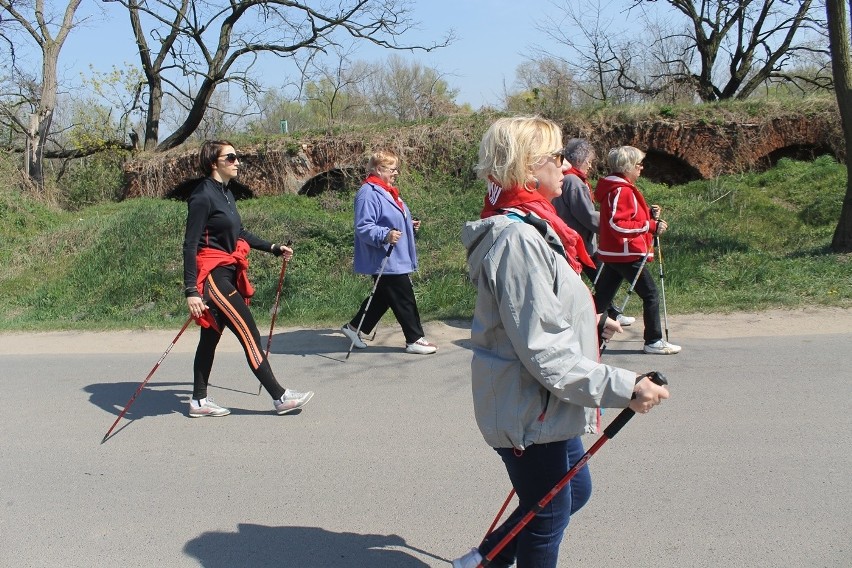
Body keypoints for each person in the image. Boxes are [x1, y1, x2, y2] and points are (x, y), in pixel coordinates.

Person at [454, 117, 670, 568]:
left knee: (572, 492)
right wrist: (626, 387)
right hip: (531, 410)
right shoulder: (517, 239)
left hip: (548, 404)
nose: (566, 168)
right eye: (556, 159)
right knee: (548, 513)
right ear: (529, 169)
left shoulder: (537, 227)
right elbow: (542, 349)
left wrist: (589, 321)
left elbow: (541, 310)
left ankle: (485, 558)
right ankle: (489, 559)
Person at [182, 140, 314, 417]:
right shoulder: (202, 196)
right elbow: (190, 245)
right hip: (214, 277)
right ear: (213, 162)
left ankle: (198, 401)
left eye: (236, 156)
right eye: (230, 157)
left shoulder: (226, 194)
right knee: (248, 332)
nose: (237, 161)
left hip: (228, 272)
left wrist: (273, 248)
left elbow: (239, 233)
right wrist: (191, 290)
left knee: (210, 337)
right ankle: (279, 397)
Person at [340, 149, 437, 355]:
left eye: (396, 169)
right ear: (378, 169)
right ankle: (414, 339)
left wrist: (408, 224)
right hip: (384, 257)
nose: (396, 173)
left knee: (384, 297)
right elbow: (364, 226)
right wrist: (385, 235)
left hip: (395, 255)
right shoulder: (368, 193)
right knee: (403, 296)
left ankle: (354, 328)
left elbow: (390, 218)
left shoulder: (386, 190)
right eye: (392, 169)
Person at [593, 146, 681, 355]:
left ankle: (584, 337)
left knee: (601, 300)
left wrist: (649, 215)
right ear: (627, 167)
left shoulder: (618, 187)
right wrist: (651, 225)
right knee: (650, 294)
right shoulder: (621, 190)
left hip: (616, 253)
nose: (641, 168)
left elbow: (628, 218)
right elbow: (618, 224)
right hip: (626, 253)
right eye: (638, 164)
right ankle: (653, 340)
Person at [552, 138, 635, 327]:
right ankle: (608, 314)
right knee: (603, 278)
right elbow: (587, 215)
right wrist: (611, 227)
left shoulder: (565, 178)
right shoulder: (574, 181)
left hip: (573, 239)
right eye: (589, 161)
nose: (590, 166)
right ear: (580, 160)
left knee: (600, 278)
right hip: (579, 241)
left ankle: (610, 312)